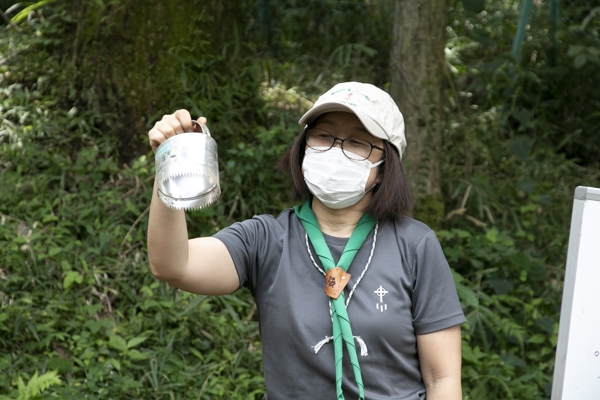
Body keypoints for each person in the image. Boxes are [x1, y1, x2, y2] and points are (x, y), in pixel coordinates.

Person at [147, 82, 465, 400]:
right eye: (323, 135)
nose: (336, 149)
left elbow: (442, 378)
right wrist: (169, 161)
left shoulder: (415, 245)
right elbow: (174, 265)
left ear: (384, 167)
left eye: (357, 142)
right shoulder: (265, 240)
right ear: (304, 147)